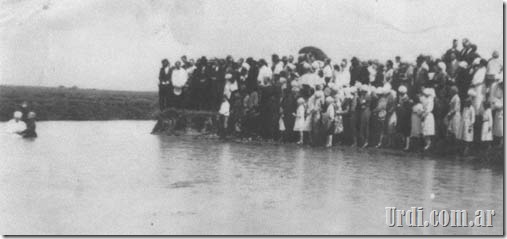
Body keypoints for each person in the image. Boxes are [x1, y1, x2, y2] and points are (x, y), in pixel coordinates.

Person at [396, 86, 412, 150]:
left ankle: (407, 146)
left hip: (406, 118)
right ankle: (403, 145)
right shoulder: (401, 97)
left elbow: (407, 110)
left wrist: (400, 107)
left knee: (407, 132)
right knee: (402, 131)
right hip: (401, 117)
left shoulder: (406, 99)